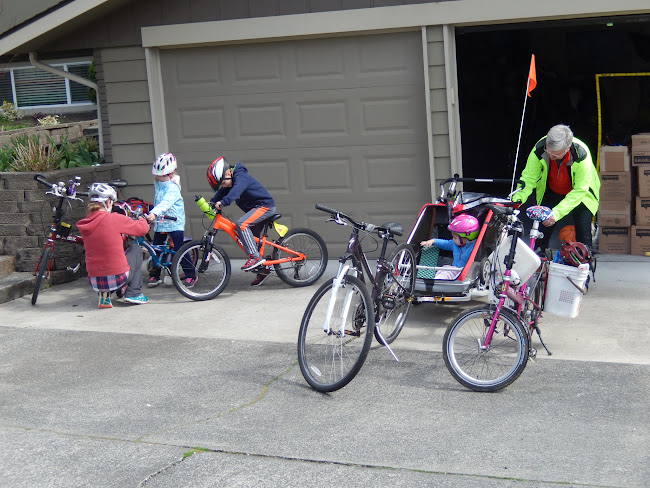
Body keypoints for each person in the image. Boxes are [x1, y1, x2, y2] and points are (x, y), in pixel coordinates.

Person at [512, 124, 600, 252]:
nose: (550, 156)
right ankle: (539, 255)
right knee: (543, 226)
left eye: (555, 155)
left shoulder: (581, 154)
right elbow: (528, 179)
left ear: (567, 148)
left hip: (582, 193)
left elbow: (580, 190)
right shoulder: (539, 148)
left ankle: (585, 259)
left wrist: (556, 214)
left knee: (583, 230)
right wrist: (515, 202)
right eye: (548, 152)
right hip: (553, 189)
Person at [77, 182, 150, 308]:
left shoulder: (85, 224)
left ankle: (105, 297)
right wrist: (142, 218)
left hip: (95, 282)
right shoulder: (114, 219)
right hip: (118, 279)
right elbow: (142, 229)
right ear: (108, 202)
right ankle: (134, 293)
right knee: (136, 249)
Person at [207, 156, 276, 286]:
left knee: (242, 224)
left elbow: (237, 190)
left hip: (265, 206)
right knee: (250, 240)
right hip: (255, 209)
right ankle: (263, 270)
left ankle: (255, 258)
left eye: (222, 183)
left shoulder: (240, 177)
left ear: (228, 173)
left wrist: (224, 202)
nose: (223, 186)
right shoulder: (230, 180)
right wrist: (212, 202)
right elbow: (222, 192)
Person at [145, 153, 196, 288]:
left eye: (161, 176)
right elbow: (158, 200)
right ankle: (155, 275)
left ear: (171, 173)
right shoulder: (158, 183)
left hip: (174, 222)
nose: (158, 178)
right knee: (156, 249)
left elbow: (166, 202)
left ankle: (190, 274)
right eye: (156, 175)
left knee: (179, 250)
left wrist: (154, 213)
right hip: (161, 222)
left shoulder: (173, 187)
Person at [420, 214, 479, 280]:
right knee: (444, 269)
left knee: (447, 273)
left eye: (455, 238)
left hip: (464, 273)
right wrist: (433, 241)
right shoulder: (455, 244)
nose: (453, 239)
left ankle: (438, 281)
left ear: (465, 239)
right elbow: (446, 243)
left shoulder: (473, 248)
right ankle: (436, 280)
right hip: (454, 270)